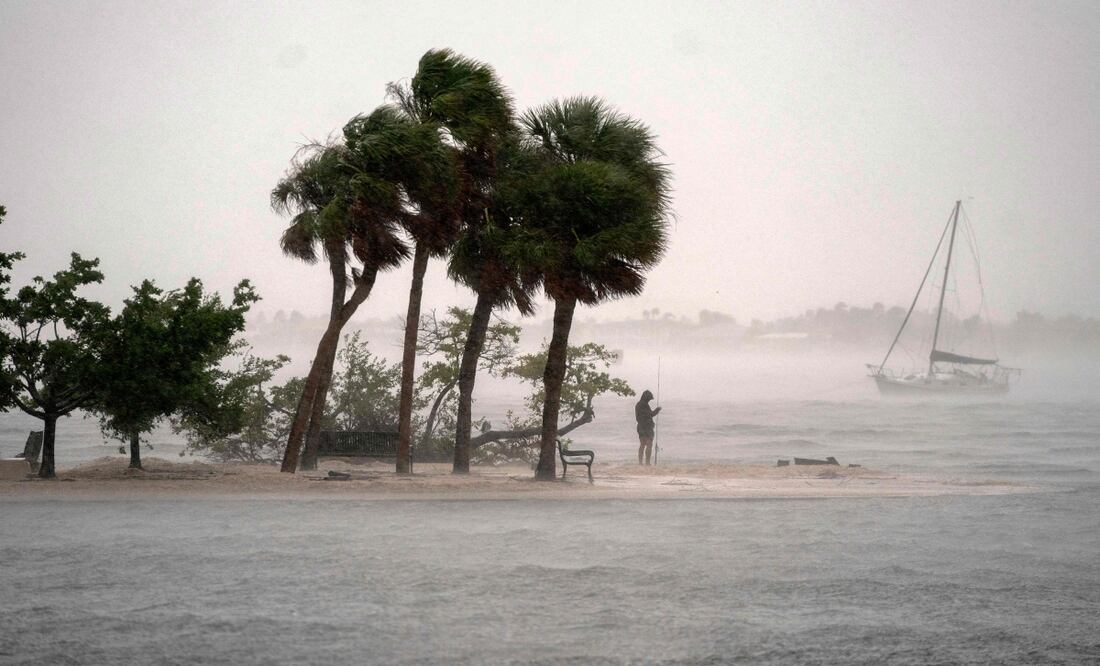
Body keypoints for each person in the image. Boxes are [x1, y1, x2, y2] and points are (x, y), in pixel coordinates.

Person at [635, 389, 662, 465]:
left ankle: (640, 463)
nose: (649, 400)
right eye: (649, 399)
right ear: (646, 398)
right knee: (649, 444)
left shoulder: (639, 404)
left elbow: (648, 415)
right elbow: (651, 414)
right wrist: (657, 410)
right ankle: (647, 463)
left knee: (642, 444)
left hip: (641, 426)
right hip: (646, 427)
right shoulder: (643, 405)